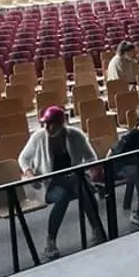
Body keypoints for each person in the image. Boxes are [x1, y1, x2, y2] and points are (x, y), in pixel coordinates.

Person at [20, 106, 103, 260]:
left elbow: (91, 157)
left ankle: (96, 228)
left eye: (51, 124)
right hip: (49, 184)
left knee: (85, 191)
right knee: (62, 197)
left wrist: (91, 169)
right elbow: (23, 158)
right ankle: (50, 241)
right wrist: (29, 173)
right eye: (45, 123)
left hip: (74, 179)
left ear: (60, 124)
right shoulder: (38, 137)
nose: (47, 127)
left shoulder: (75, 135)